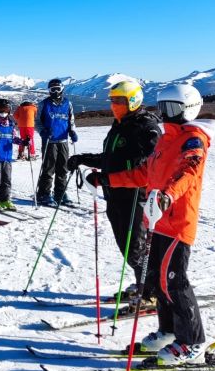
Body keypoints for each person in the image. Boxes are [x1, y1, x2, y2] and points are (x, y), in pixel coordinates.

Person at [93, 83, 215, 366]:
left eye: (172, 108)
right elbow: (144, 173)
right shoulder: (165, 139)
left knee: (175, 282)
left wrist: (166, 196)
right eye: (162, 108)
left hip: (177, 222)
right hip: (157, 221)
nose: (166, 114)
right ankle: (169, 331)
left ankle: (193, 342)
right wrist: (107, 179)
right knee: (159, 283)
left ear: (189, 109)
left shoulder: (193, 138)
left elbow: (189, 171)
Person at [67, 80, 160, 298]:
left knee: (136, 248)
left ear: (133, 101)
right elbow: (112, 159)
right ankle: (144, 285)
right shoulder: (119, 125)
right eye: (112, 100)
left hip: (135, 197)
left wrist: (107, 179)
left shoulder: (146, 128)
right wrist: (83, 159)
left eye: (119, 100)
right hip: (115, 196)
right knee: (128, 248)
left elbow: (148, 169)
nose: (114, 105)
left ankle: (151, 292)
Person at [36, 78, 77, 207]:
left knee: (63, 168)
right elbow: (37, 122)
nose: (55, 91)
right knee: (49, 168)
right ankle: (44, 193)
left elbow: (71, 120)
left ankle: (60, 193)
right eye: (52, 89)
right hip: (50, 140)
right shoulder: (44, 104)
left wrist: (72, 131)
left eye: (57, 89)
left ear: (62, 89)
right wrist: (43, 132)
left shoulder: (67, 103)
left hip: (63, 140)